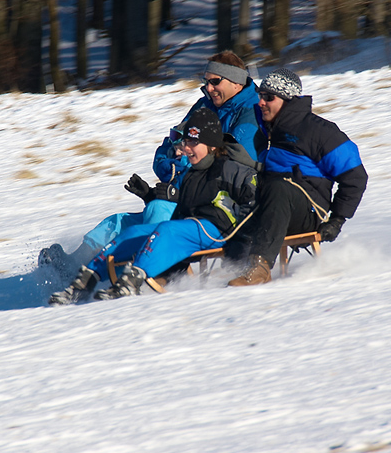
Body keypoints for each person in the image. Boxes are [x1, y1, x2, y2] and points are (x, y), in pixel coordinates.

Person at [39, 50, 261, 277]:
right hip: (187, 195)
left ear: (236, 82)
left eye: (215, 82)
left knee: (157, 209)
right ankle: (74, 267)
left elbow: (233, 164)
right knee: (117, 223)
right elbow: (170, 145)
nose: (209, 88)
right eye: (206, 83)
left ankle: (152, 274)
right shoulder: (203, 106)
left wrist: (177, 177)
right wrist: (171, 168)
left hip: (217, 206)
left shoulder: (250, 114)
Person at [49, 107, 257, 305]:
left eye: (193, 142)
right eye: (185, 141)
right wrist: (151, 196)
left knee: (166, 229)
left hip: (218, 231)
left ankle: (131, 281)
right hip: (189, 228)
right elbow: (180, 210)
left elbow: (254, 200)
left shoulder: (230, 168)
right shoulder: (190, 174)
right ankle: (84, 284)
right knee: (133, 232)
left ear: (211, 144)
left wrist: (242, 241)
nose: (185, 148)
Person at [227, 68, 368, 286]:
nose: (262, 102)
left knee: (278, 187)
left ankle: (259, 268)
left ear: (287, 99)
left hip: (307, 210)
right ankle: (227, 266)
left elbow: (356, 176)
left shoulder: (319, 131)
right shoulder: (264, 131)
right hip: (272, 207)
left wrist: (337, 219)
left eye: (269, 97)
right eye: (260, 96)